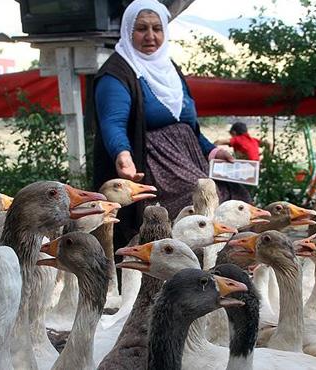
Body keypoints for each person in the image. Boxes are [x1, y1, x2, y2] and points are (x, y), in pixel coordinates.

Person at [91, 0, 250, 245]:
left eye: (157, 28)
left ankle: (220, 265)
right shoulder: (117, 73)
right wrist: (122, 155)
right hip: (157, 164)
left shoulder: (168, 68)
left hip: (188, 157)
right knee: (202, 198)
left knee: (235, 192)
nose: (150, 36)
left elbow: (189, 125)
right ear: (128, 31)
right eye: (141, 28)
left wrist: (213, 150)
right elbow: (113, 122)